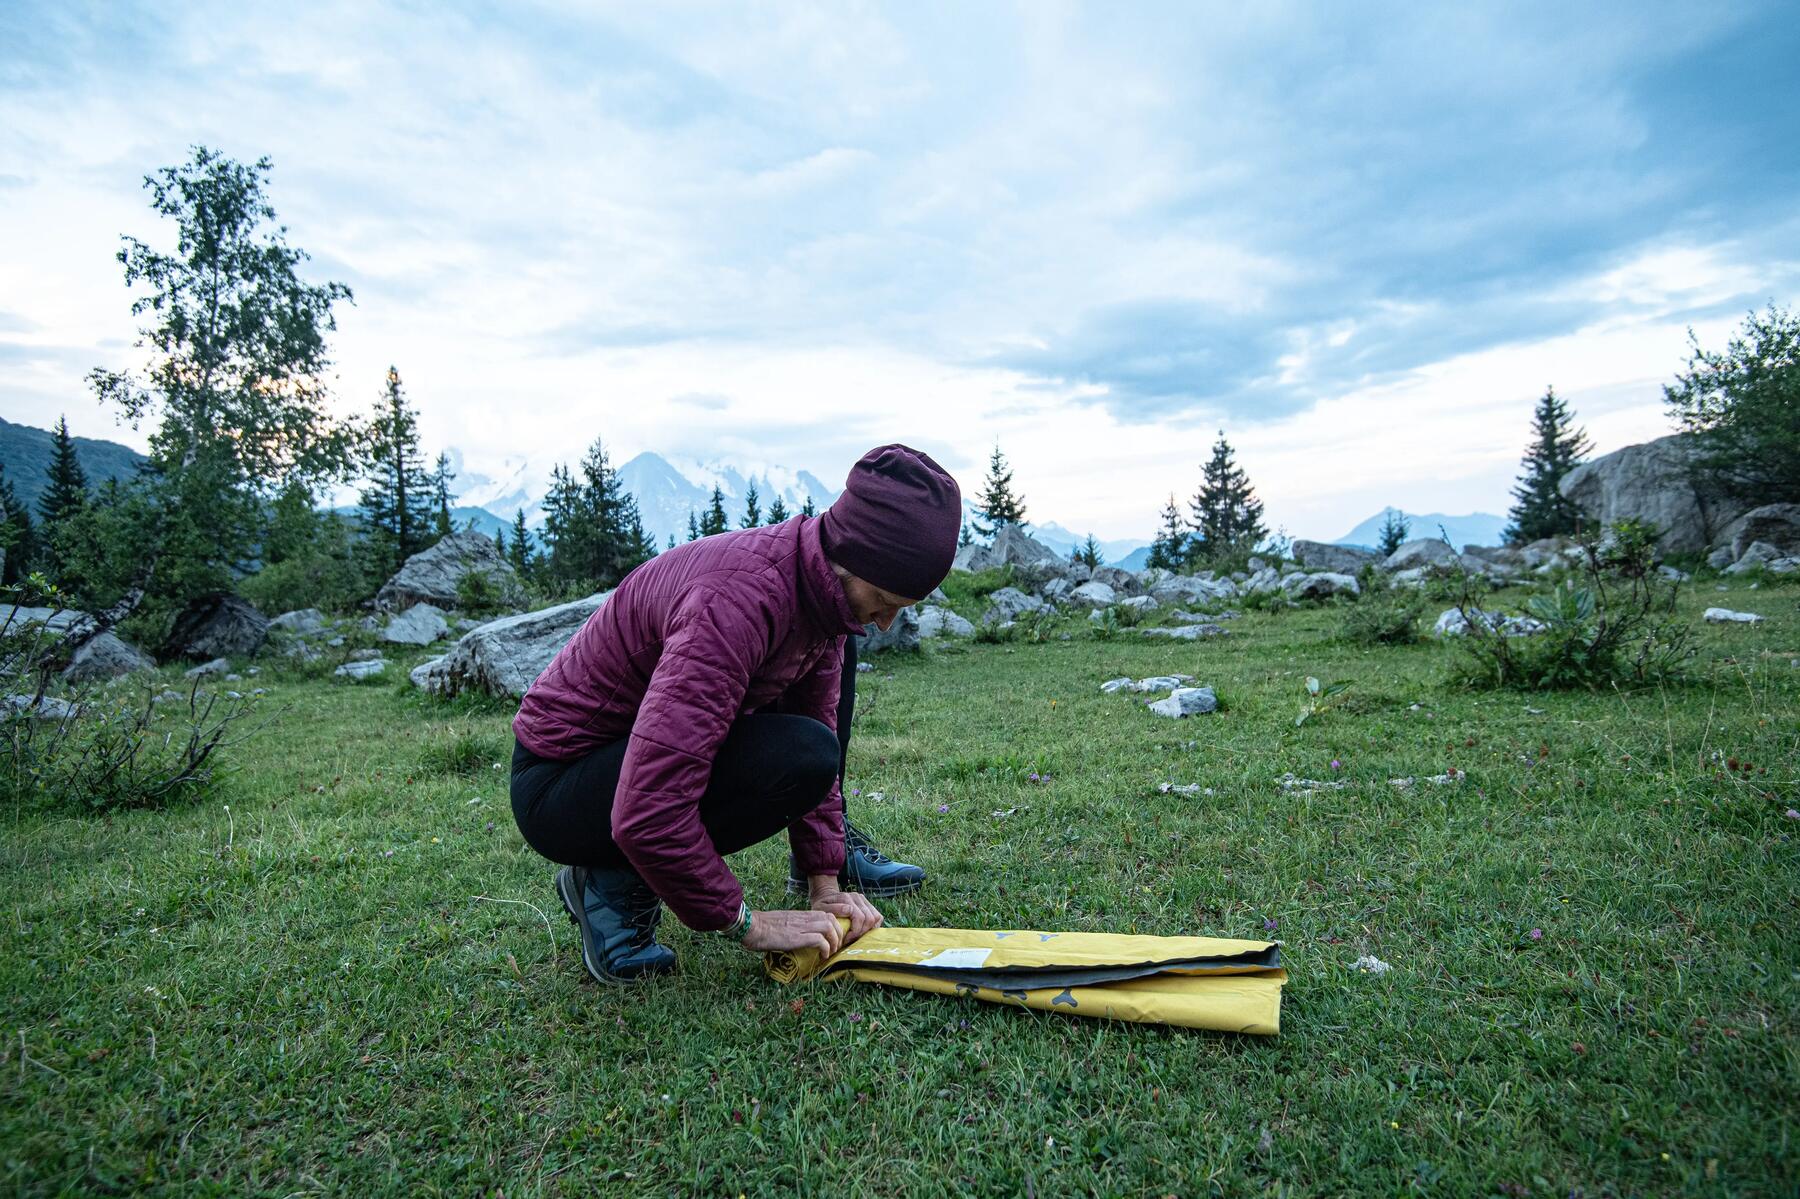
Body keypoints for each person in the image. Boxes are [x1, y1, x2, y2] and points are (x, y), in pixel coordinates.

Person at [510, 444, 962, 983]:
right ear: (854, 556)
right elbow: (648, 806)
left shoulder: (819, 592)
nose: (888, 621)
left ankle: (819, 858)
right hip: (561, 783)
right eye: (887, 597)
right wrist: (746, 923)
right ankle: (610, 881)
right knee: (798, 754)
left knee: (812, 745)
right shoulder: (733, 606)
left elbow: (817, 735)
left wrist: (826, 885)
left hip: (628, 759)